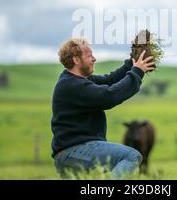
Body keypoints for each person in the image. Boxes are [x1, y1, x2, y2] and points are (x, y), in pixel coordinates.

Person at [51, 37, 154, 179]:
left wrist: (133, 61)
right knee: (131, 156)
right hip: (75, 152)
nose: (94, 59)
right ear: (76, 59)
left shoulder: (79, 81)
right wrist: (137, 71)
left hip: (72, 153)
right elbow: (110, 96)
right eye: (89, 55)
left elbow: (111, 80)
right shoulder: (73, 85)